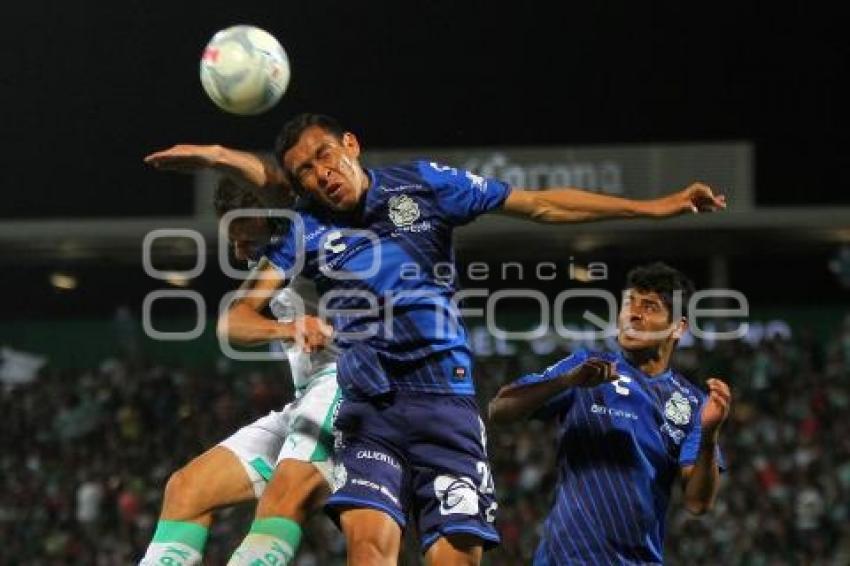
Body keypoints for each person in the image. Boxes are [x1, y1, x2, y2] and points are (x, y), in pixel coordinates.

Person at [155, 112, 726, 566]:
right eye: (305, 172)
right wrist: (289, 322)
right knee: (367, 549)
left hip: (445, 405)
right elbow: (239, 307)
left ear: (350, 145)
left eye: (324, 156)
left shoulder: (424, 184)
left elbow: (542, 204)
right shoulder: (306, 226)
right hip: (370, 405)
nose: (319, 175)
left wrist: (658, 207)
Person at [138, 178, 337, 566]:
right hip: (308, 398)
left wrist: (217, 155)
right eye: (233, 241)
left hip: (350, 387)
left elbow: (282, 182)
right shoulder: (270, 266)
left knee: (283, 498)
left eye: (248, 240)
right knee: (185, 489)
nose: (239, 250)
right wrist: (288, 329)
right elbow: (231, 325)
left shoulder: (315, 240)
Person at [488, 262, 731, 565]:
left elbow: (697, 503)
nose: (633, 314)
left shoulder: (692, 403)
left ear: (678, 327)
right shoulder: (586, 367)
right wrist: (566, 381)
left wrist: (709, 436)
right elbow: (499, 410)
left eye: (650, 307)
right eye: (629, 303)